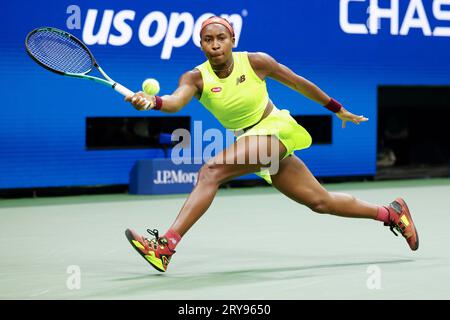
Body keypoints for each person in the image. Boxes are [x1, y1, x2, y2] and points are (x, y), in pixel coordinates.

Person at [124, 16, 419, 273]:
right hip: (249, 139)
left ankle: (165, 246)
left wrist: (336, 108)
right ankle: (391, 212)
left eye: (221, 38)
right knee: (320, 201)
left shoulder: (255, 62)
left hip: (275, 130)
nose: (215, 44)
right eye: (208, 39)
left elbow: (298, 83)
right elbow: (176, 102)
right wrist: (153, 102)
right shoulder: (195, 77)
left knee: (211, 171)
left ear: (232, 40)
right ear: (201, 44)